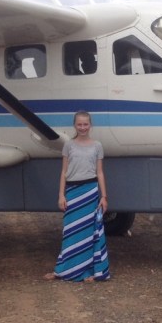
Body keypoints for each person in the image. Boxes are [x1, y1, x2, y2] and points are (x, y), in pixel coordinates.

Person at [45, 110, 110, 282]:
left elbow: (100, 173)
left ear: (90, 125)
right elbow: (64, 172)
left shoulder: (97, 146)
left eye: (85, 124)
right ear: (75, 125)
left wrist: (104, 197)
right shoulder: (69, 145)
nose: (82, 127)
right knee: (71, 231)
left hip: (90, 191)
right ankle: (63, 270)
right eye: (79, 124)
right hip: (72, 192)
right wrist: (61, 195)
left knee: (90, 232)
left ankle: (92, 272)